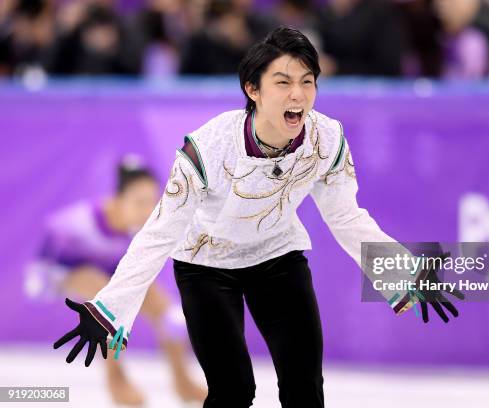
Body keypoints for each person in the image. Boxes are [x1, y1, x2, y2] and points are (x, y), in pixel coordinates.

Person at [53, 27, 462, 408]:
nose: (298, 94)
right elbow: (160, 232)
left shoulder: (327, 139)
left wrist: (400, 270)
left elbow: (346, 216)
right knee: (233, 389)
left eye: (307, 81)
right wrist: (110, 307)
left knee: (305, 387)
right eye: (283, 83)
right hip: (205, 265)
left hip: (277, 258)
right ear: (253, 90)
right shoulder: (208, 147)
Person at [29, 157, 206, 406]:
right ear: (118, 199)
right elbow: (39, 276)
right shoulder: (74, 224)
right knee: (105, 294)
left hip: (113, 279)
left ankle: (183, 381)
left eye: (153, 202)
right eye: (140, 202)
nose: (148, 210)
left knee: (166, 311)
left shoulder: (144, 230)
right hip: (63, 278)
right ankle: (116, 378)